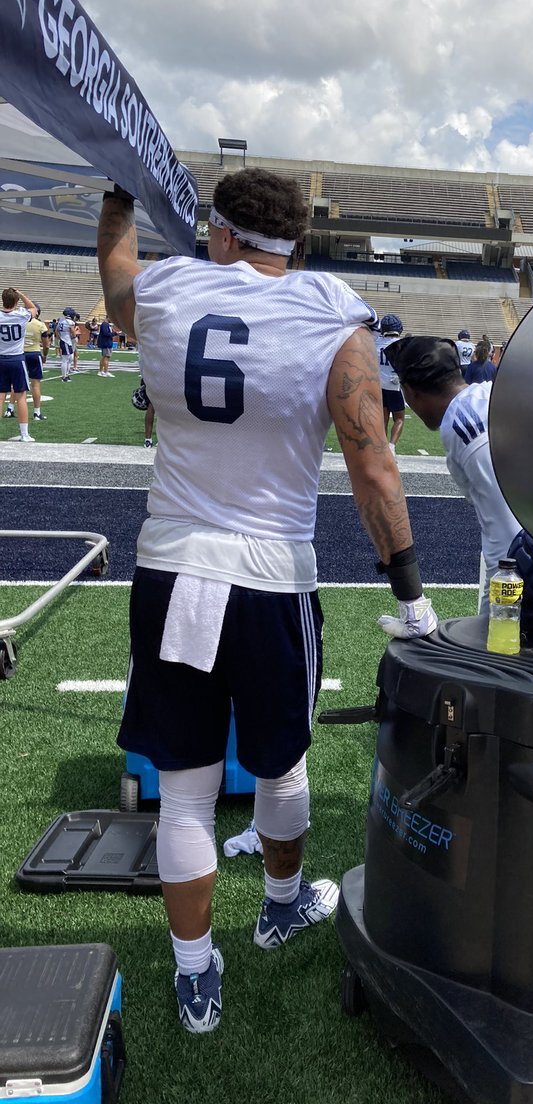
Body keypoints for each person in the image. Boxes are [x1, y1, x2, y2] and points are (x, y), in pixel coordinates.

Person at [96, 169, 438, 1035]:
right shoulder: (330, 306)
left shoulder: (169, 288)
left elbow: (115, 276)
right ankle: (279, 905)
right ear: (299, 240)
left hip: (173, 565)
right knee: (283, 765)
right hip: (271, 577)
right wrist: (409, 590)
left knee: (183, 793)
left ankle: (195, 974)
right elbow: (373, 465)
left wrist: (120, 196)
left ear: (218, 234)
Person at [385, 335, 520, 614]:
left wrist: (493, 616)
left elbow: (506, 534)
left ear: (410, 392)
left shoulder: (463, 424)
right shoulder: (487, 393)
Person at [0, 288, 36, 441]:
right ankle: (24, 434)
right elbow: (34, 309)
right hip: (16, 358)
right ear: (16, 301)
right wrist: (21, 294)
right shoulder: (21, 315)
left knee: (0, 396)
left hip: (1, 358)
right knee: (21, 396)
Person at [374, 313, 406, 454]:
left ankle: (382, 448)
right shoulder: (402, 345)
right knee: (399, 419)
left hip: (379, 385)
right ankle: (391, 446)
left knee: (383, 419)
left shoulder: (375, 342)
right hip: (395, 386)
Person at [56, 308, 77, 381]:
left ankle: (66, 375)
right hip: (66, 341)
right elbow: (73, 332)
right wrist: (73, 336)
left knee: (70, 358)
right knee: (65, 359)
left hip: (64, 340)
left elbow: (56, 331)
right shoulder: (70, 322)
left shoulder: (61, 321)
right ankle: (64, 376)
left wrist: (60, 337)